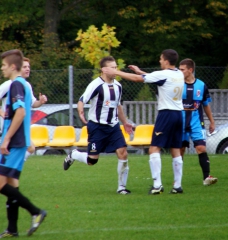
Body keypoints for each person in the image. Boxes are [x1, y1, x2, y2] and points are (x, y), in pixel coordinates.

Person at [102, 49, 184, 194]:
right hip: (179, 114)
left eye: (160, 58)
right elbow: (155, 78)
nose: (159, 61)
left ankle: (157, 185)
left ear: (166, 60)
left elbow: (137, 79)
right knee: (175, 149)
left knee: (154, 149)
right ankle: (177, 186)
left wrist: (117, 72)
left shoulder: (164, 74)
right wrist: (140, 71)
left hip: (166, 115)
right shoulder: (178, 74)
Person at [0, 49, 46, 238]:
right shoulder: (21, 84)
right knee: (11, 186)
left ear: (12, 67)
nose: (1, 68)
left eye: (4, 65)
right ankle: (12, 229)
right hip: (18, 142)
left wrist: (6, 139)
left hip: (14, 143)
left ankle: (35, 211)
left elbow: (21, 113)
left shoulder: (16, 84)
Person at [63, 56, 133, 195]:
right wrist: (81, 110)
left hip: (113, 127)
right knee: (92, 161)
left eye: (116, 67)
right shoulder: (96, 84)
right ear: (104, 70)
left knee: (123, 153)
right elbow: (82, 99)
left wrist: (125, 122)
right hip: (97, 127)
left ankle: (121, 188)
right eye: (112, 68)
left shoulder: (118, 86)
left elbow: (118, 106)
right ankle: (75, 154)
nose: (115, 70)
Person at [0, 57, 47, 190]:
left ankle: (3, 178)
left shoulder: (26, 85)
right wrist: (2, 114)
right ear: (18, 68)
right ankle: (0, 178)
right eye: (25, 66)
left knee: (28, 148)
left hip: (21, 124)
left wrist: (41, 102)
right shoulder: (9, 84)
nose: (27, 69)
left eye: (29, 67)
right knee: (28, 148)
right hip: (11, 124)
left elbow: (33, 104)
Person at [179, 58, 217, 186]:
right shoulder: (177, 84)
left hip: (196, 123)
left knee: (201, 148)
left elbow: (205, 105)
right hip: (180, 123)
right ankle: (177, 180)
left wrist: (211, 121)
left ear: (190, 70)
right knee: (180, 150)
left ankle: (207, 177)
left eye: (182, 69)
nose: (180, 72)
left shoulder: (201, 85)